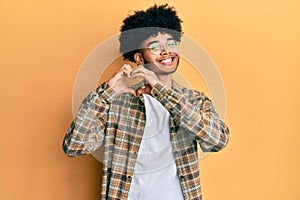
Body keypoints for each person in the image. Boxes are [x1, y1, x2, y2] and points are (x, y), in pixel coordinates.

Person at [62, 4, 230, 200]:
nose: (166, 51)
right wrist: (105, 93)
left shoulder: (195, 101)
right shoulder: (117, 105)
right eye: (156, 47)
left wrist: (161, 91)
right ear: (139, 58)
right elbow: (74, 146)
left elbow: (218, 141)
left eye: (171, 43)